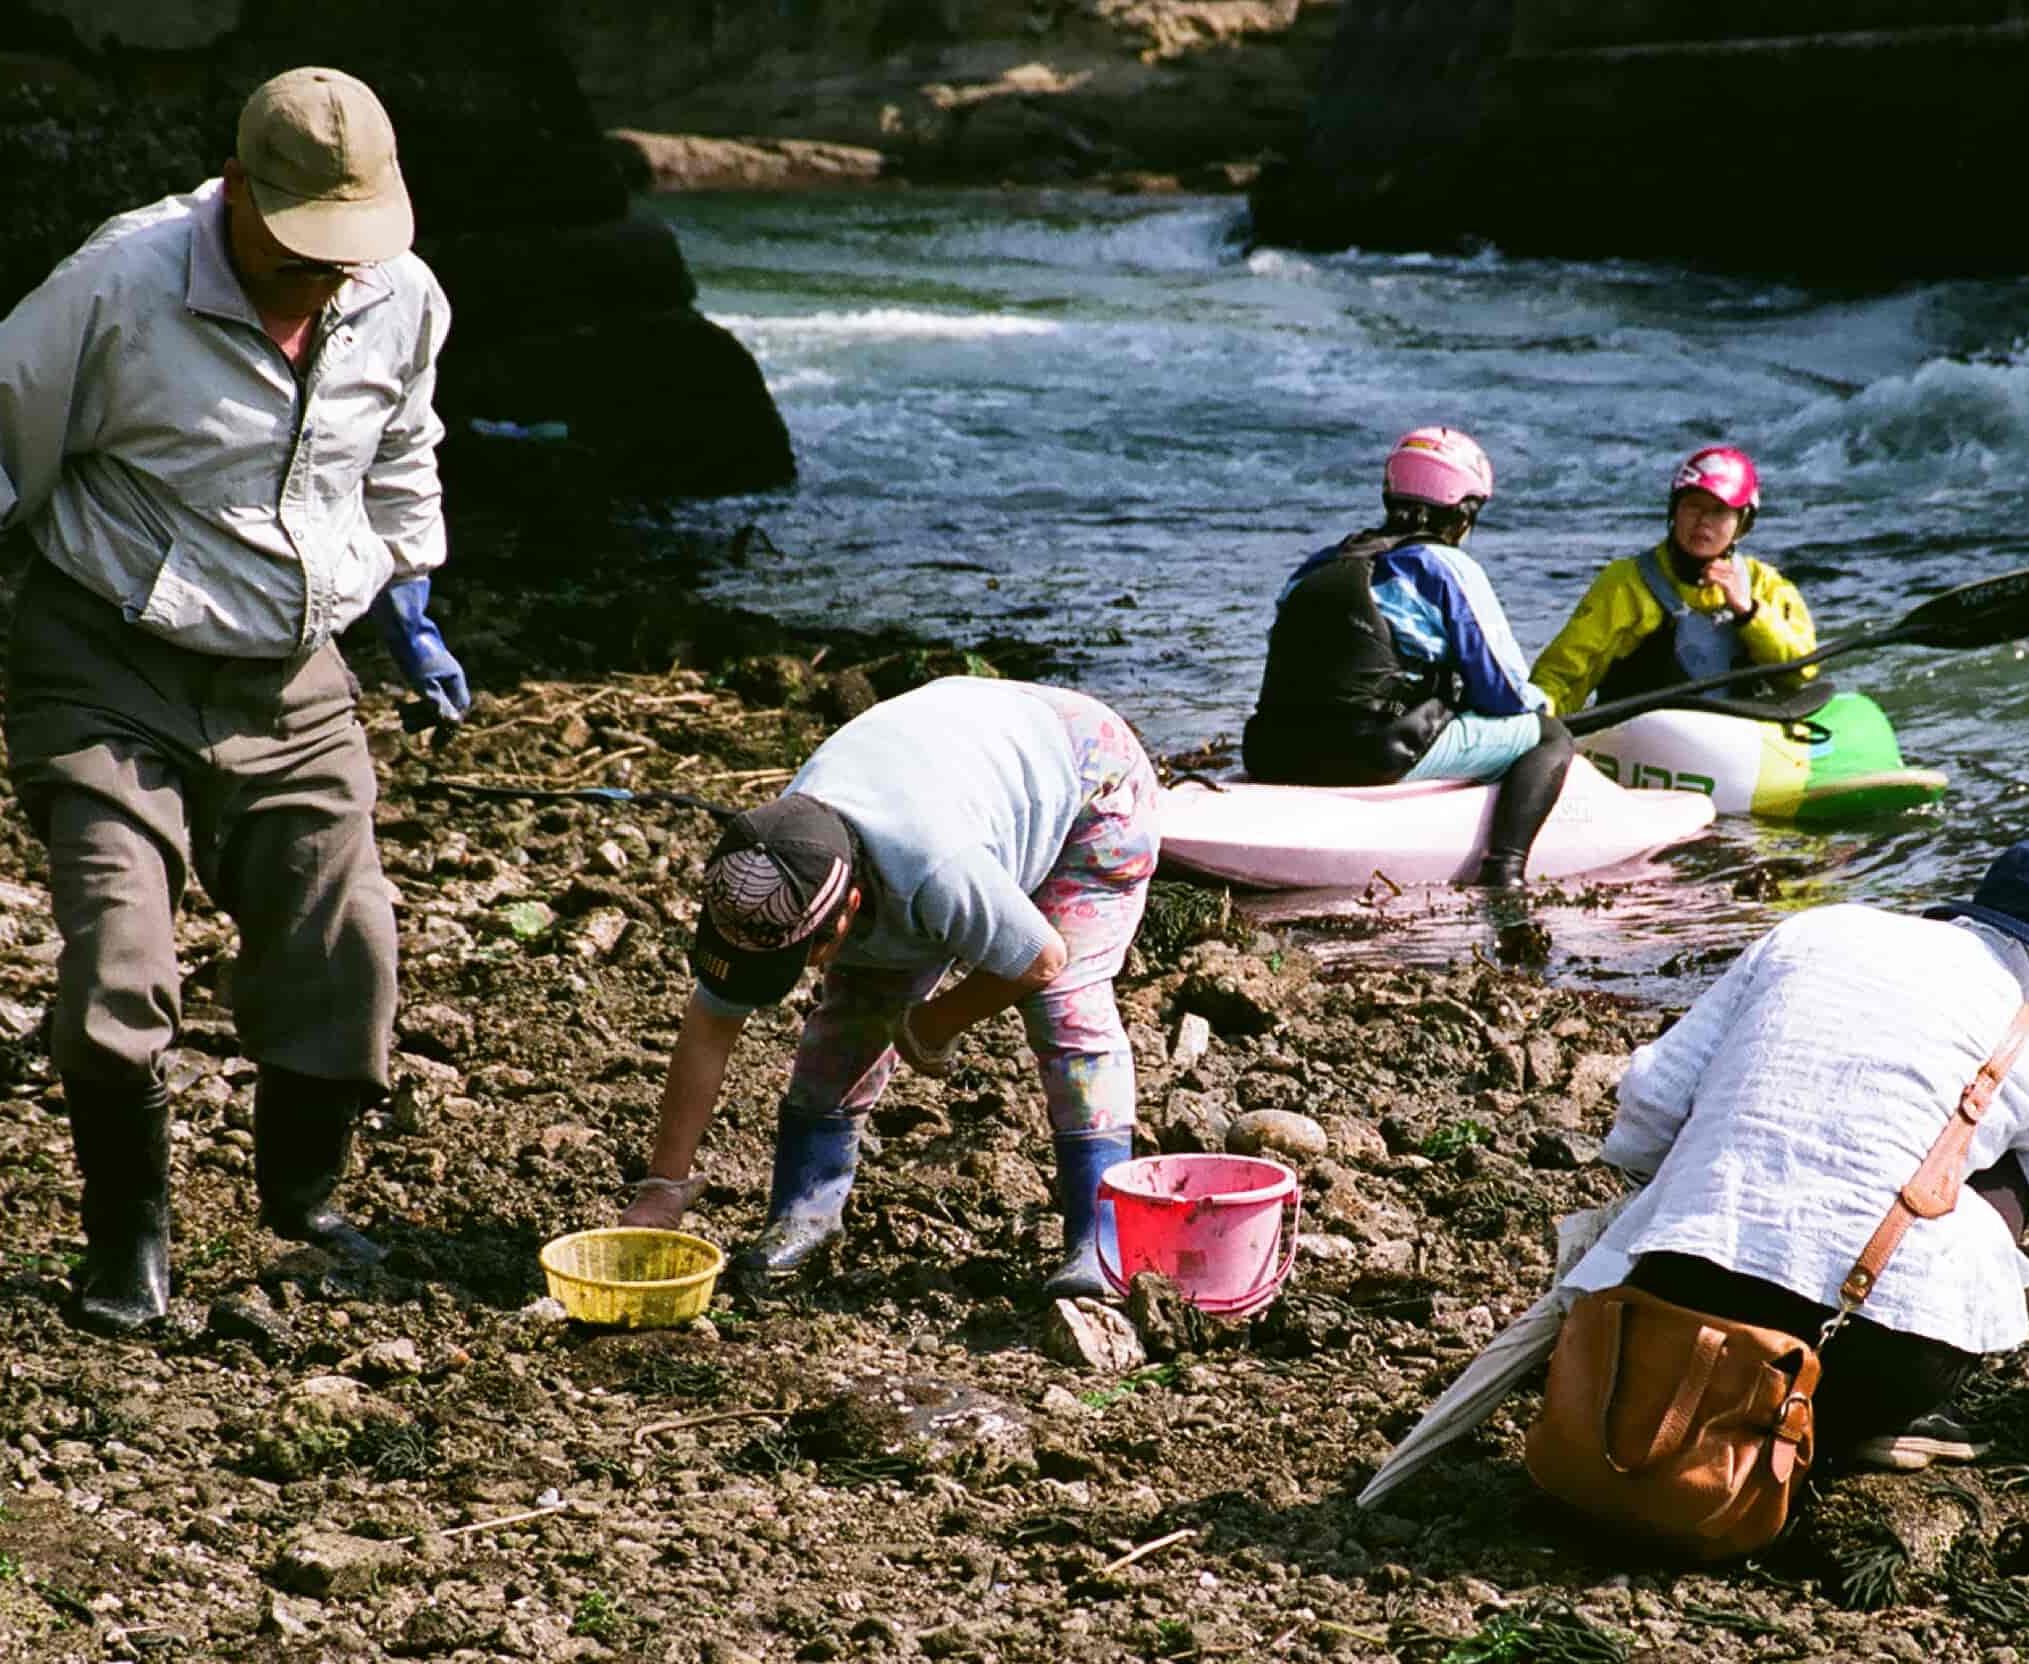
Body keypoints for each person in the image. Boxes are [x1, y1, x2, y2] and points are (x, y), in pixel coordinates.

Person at [0, 67, 468, 1336]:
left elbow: (401, 445)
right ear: (239, 191)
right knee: (117, 960)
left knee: (345, 932)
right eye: (302, 254)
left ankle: (303, 1200)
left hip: (293, 672)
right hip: (109, 660)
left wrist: (410, 601)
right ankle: (127, 1234)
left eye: (344, 255)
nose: (325, 278)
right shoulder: (120, 285)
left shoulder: (398, 294)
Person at [1560, 840, 2029, 1523]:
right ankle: (1862, 1424)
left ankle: (1672, 1383)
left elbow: (1652, 1098)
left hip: (1665, 1307)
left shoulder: (1813, 933)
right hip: (1854, 1361)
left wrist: (1689, 1194)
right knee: (1999, 1164)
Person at [620, 677, 1160, 1302]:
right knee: (850, 1015)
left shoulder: (936, 869)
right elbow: (710, 1026)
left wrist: (935, 1023)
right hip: (957, 757)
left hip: (1091, 779)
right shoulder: (768, 857)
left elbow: (1041, 958)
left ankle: (1103, 1234)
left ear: (849, 908)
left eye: (807, 952)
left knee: (1068, 1006)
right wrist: (663, 1185)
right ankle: (805, 1212)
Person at [1244, 427, 1575, 888]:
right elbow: (1505, 696)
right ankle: (1505, 872)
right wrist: (1544, 705)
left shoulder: (1315, 566)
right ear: (1463, 513)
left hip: (1272, 752)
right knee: (1547, 736)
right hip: (1371, 754)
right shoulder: (1445, 567)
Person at [1531, 445, 1817, 717]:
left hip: (1737, 739)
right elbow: (1564, 674)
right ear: (1675, 511)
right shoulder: (1625, 583)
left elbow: (1800, 673)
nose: (1703, 520)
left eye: (1718, 511)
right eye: (1693, 506)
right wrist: (1543, 719)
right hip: (1640, 738)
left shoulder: (1764, 584)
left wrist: (1749, 614)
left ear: (1742, 523)